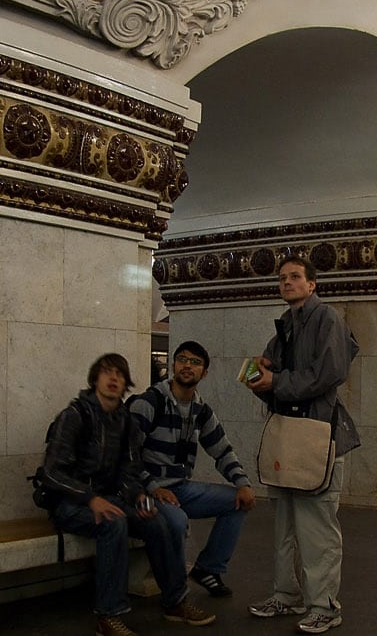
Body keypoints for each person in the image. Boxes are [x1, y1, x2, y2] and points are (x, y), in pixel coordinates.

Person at [39, 354, 216, 636]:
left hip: (110, 499)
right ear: (95, 379)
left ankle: (175, 602)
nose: (113, 379)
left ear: (126, 384)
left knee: (159, 521)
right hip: (70, 503)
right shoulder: (74, 415)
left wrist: (139, 498)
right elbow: (51, 473)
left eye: (119, 375)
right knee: (114, 522)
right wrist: (90, 498)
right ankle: (108, 616)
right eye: (107, 373)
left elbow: (130, 472)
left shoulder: (125, 421)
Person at [246, 256, 360, 634]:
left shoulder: (327, 318)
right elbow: (275, 380)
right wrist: (261, 379)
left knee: (316, 527)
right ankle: (286, 594)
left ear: (312, 284)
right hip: (290, 433)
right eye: (282, 278)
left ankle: (324, 606)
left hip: (318, 434)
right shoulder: (285, 329)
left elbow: (330, 373)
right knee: (285, 525)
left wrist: (275, 382)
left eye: (295, 277)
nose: (287, 283)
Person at [128, 340, 256, 599]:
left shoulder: (201, 410)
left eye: (196, 362)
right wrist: (153, 488)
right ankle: (175, 595)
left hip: (179, 488)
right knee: (177, 521)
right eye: (182, 359)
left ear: (204, 373)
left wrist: (242, 483)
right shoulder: (150, 402)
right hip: (142, 493)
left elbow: (221, 450)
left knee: (237, 501)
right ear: (173, 365)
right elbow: (127, 456)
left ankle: (208, 568)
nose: (188, 365)